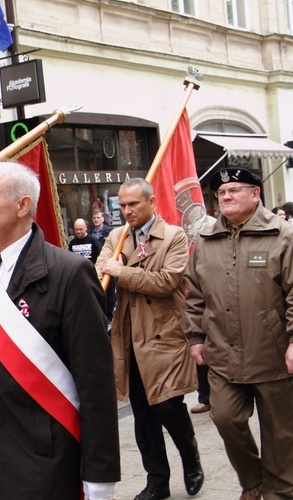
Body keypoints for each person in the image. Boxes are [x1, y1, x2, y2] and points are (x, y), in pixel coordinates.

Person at [0, 162, 120, 499]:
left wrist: (99, 476)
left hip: (42, 466)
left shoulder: (69, 273)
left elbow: (96, 385)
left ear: (23, 205)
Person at [185, 168, 293, 500]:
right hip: (222, 353)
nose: (227, 197)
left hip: (272, 352)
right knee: (225, 418)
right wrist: (195, 337)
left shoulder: (285, 235)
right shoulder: (206, 241)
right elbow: (194, 295)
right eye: (221, 193)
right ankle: (253, 481)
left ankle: (279, 494)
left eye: (234, 190)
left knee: (278, 434)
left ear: (256, 193)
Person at [96, 178, 202, 500]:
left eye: (134, 204)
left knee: (169, 406)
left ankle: (190, 457)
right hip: (128, 337)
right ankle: (157, 480)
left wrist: (122, 271)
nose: (127, 211)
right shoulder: (116, 236)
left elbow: (167, 282)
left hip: (163, 335)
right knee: (142, 414)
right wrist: (114, 267)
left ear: (152, 202)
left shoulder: (174, 236)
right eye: (122, 205)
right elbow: (101, 266)